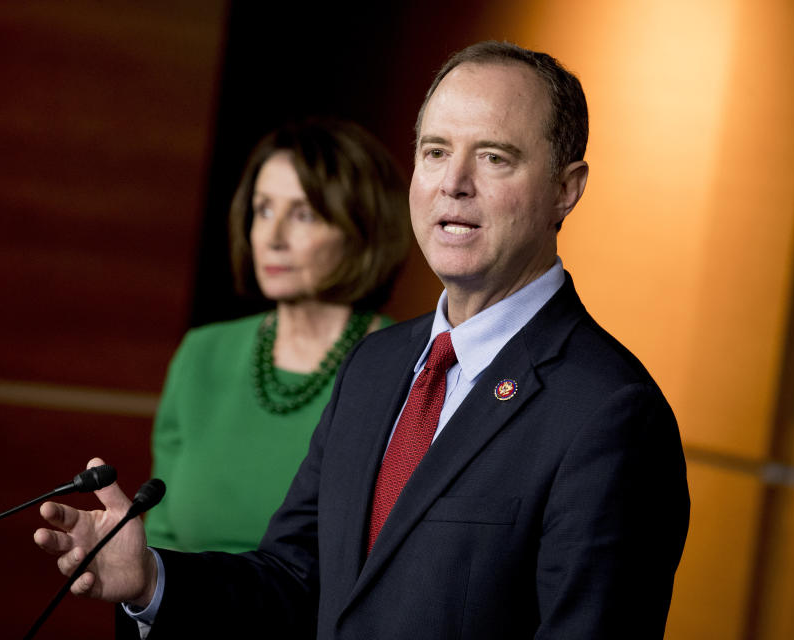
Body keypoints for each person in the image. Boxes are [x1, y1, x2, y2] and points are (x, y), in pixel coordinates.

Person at [34, 41, 690, 639]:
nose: (452, 182)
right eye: (434, 152)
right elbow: (295, 580)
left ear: (566, 191)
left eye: (493, 157)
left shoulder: (610, 413)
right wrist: (152, 579)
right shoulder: (375, 366)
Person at [144, 120, 411, 555]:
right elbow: (162, 538)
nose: (273, 237)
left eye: (303, 214)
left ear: (361, 229)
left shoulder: (408, 368)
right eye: (263, 209)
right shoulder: (202, 354)